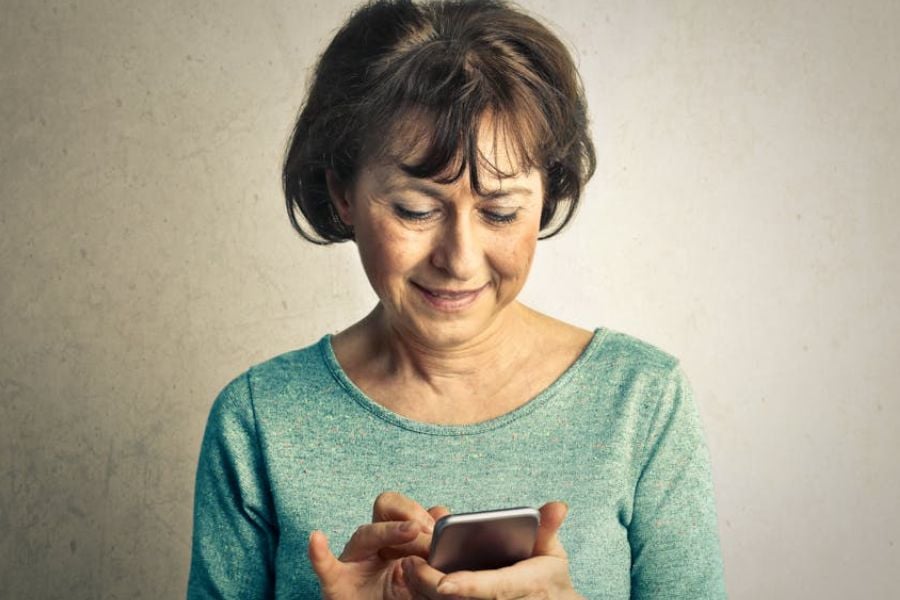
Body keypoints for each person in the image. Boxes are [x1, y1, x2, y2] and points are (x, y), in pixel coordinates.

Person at [187, 0, 727, 598]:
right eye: (415, 210)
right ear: (342, 193)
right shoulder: (258, 421)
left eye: (500, 212)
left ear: (546, 198)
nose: (460, 259)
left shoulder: (642, 401)